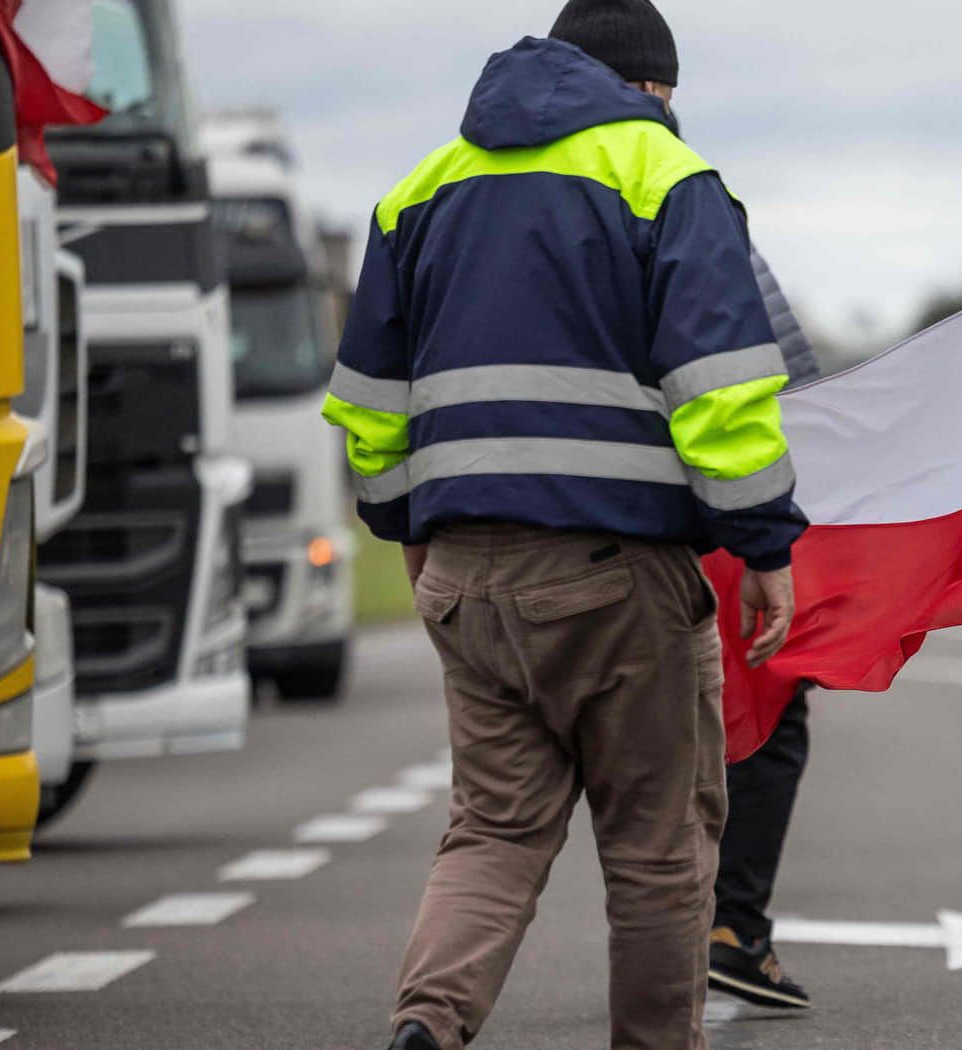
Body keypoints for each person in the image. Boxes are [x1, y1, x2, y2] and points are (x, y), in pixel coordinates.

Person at [322, 1, 808, 1047]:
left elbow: (368, 402)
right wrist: (763, 544)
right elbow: (720, 396)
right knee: (656, 852)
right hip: (617, 579)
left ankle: (427, 1027)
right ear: (647, 87)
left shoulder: (422, 187)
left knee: (491, 831)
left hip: (461, 571)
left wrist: (408, 525)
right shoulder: (663, 176)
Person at [706, 249, 819, 1011]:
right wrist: (768, 537)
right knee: (768, 706)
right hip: (709, 513)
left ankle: (437, 1001)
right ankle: (731, 933)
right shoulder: (689, 203)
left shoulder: (472, 198)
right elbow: (789, 383)